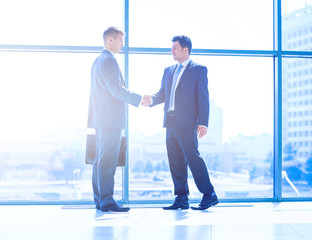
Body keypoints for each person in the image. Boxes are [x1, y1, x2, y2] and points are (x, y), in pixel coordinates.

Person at [144, 35, 218, 210]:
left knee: (193, 158)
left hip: (187, 122)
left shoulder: (198, 70)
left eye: (175, 48)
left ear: (186, 50)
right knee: (175, 160)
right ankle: (181, 198)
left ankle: (209, 194)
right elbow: (162, 94)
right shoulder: (168, 70)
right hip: (170, 122)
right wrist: (151, 100)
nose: (172, 51)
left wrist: (203, 122)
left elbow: (203, 98)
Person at [87, 26, 151, 212]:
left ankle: (100, 198)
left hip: (100, 119)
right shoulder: (109, 61)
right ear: (111, 40)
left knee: (99, 160)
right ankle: (106, 200)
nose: (123, 45)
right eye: (121, 41)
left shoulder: (98, 60)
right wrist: (140, 99)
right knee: (107, 160)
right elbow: (116, 90)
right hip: (109, 120)